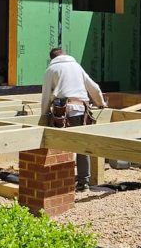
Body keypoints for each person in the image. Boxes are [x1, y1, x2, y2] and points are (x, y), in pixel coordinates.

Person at [40, 47, 106, 191]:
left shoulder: (51, 70)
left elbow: (45, 96)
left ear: (52, 59)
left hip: (62, 112)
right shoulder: (76, 66)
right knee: (82, 146)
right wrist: (101, 103)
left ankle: (61, 180)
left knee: (60, 145)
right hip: (81, 110)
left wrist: (44, 116)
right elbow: (93, 87)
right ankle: (84, 182)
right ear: (64, 55)